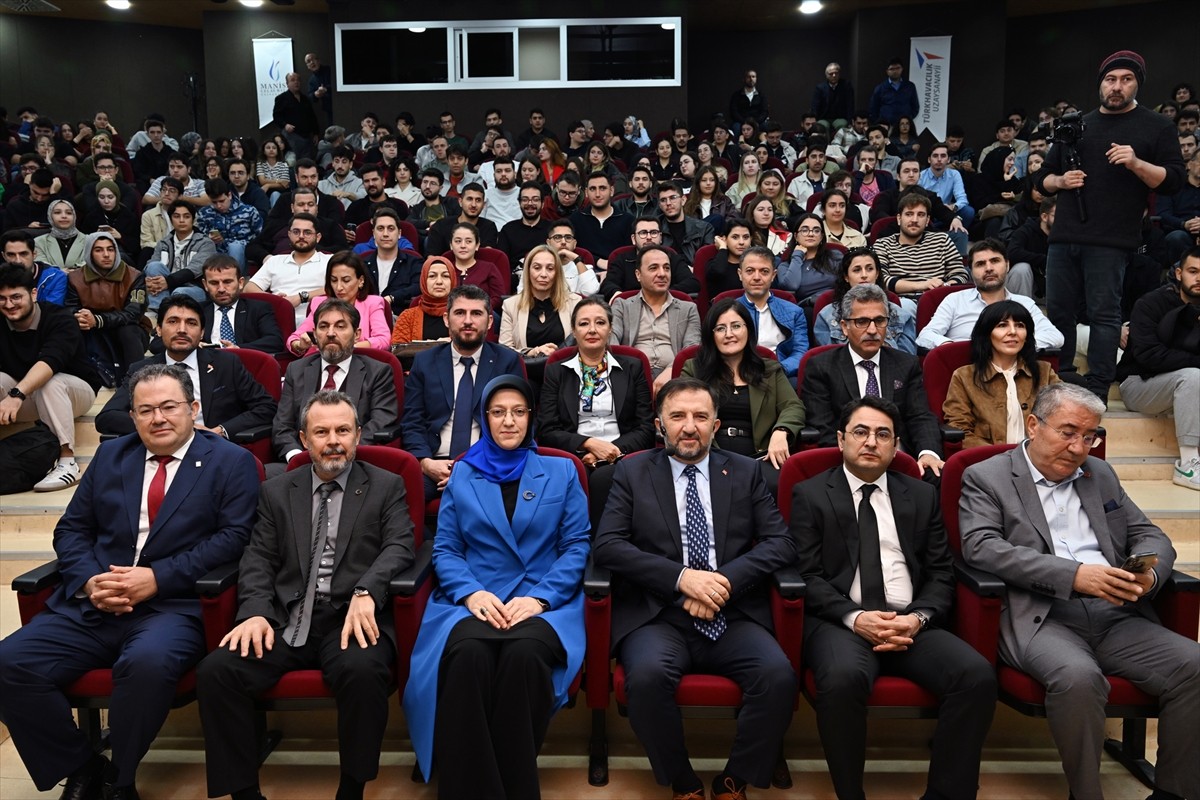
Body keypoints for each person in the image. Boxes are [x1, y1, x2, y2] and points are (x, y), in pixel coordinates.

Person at [0, 363, 258, 800]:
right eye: (146, 410)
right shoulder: (111, 456)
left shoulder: (231, 462)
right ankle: (83, 767)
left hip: (173, 606)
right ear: (133, 416)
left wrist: (158, 578)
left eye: (169, 407)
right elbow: (72, 529)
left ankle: (120, 779)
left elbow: (234, 539)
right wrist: (90, 580)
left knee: (147, 665)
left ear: (193, 408)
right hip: (95, 603)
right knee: (9, 663)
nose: (158, 418)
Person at [959, 382, 1200, 800]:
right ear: (1033, 425)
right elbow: (982, 546)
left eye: (1089, 437)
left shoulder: (1099, 474)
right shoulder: (987, 476)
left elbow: (1150, 534)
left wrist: (1149, 575)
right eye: (1068, 432)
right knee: (1079, 677)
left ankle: (1175, 794)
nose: (1078, 447)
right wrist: (1072, 575)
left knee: (1194, 665)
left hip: (1115, 613)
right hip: (1042, 615)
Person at [197, 389, 414, 800]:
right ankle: (244, 793)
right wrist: (255, 612)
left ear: (358, 435)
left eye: (343, 431)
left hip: (351, 616)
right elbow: (259, 557)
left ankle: (351, 789)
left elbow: (400, 546)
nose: (334, 441)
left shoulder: (386, 485)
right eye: (322, 432)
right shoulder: (277, 490)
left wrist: (367, 590)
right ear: (304, 439)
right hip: (288, 617)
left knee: (363, 671)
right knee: (217, 671)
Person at [593, 377, 798, 800]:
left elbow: (781, 543)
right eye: (678, 416)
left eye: (701, 417)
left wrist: (722, 583)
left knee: (778, 677)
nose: (690, 426)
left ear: (716, 425)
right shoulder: (631, 472)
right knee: (646, 679)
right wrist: (682, 579)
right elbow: (609, 546)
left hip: (732, 611)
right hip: (659, 614)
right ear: (659, 425)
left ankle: (734, 779)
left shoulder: (746, 471)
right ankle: (683, 781)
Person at [792, 395, 997, 800]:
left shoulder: (920, 496)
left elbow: (941, 572)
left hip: (910, 623)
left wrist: (917, 618)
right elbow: (807, 575)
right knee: (843, 678)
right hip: (841, 623)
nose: (871, 442)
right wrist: (855, 618)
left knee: (975, 675)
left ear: (896, 445)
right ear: (841, 439)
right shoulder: (810, 494)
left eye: (882, 434)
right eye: (861, 432)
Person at [403, 373, 588, 798]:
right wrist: (471, 593)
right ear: (484, 418)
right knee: (468, 655)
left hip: (544, 599)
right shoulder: (464, 473)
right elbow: (446, 549)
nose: (509, 421)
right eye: (498, 412)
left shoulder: (561, 471)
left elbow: (577, 546)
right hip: (472, 598)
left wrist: (540, 599)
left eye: (518, 412)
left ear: (531, 417)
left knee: (525, 655)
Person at [1036, 51, 1186, 402]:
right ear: (1100, 83)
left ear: (1137, 84)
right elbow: (1042, 179)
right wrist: (1060, 181)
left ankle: (1098, 388)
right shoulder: (1077, 124)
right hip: (1064, 236)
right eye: (1110, 79)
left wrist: (1136, 163)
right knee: (1058, 312)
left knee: (1104, 316)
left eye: (1126, 79)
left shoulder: (1157, 126)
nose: (1117, 86)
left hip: (1113, 239)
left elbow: (1174, 181)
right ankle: (1059, 380)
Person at [802, 283, 944, 476]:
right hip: (848, 461)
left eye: (879, 321)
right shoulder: (821, 366)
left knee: (935, 474)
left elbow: (919, 416)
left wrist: (928, 453)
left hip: (899, 458)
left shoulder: (906, 364)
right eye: (861, 321)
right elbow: (824, 428)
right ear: (844, 327)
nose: (872, 330)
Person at [537, 295, 655, 525]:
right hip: (576, 454)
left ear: (610, 328)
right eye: (584, 323)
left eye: (600, 322)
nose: (592, 329)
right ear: (574, 330)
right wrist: (588, 444)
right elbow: (547, 430)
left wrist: (609, 452)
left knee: (604, 477)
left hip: (623, 452)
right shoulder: (557, 371)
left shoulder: (633, 367)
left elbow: (645, 428)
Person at [96, 294, 276, 439]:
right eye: (173, 321)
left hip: (212, 448)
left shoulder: (226, 363)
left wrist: (220, 431)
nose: (182, 329)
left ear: (202, 333)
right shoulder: (141, 369)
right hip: (158, 450)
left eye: (191, 323)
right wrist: (165, 427)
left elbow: (266, 407)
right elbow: (107, 417)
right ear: (159, 329)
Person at [402, 285, 524, 496]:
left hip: (487, 463)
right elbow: (413, 420)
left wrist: (473, 469)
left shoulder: (507, 362)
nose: (468, 321)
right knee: (404, 494)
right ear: (446, 319)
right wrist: (424, 463)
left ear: (490, 321)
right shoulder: (424, 362)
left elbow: (516, 422)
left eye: (476, 313)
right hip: (436, 463)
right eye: (459, 313)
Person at [679, 298, 804, 496]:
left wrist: (781, 431)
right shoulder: (694, 369)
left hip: (760, 458)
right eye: (720, 329)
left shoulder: (769, 370)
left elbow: (793, 406)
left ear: (748, 330)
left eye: (736, 326)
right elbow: (680, 409)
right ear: (711, 335)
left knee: (781, 487)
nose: (729, 334)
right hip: (708, 456)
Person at [0, 263, 102, 492]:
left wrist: (16, 395)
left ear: (33, 294)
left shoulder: (60, 318)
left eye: (16, 297)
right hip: (25, 397)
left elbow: (50, 362)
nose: (9, 304)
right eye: (2, 299)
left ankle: (67, 461)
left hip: (73, 392)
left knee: (50, 382)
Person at [272, 299, 398, 466]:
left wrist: (342, 453)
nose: (330, 333)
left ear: (357, 334)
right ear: (315, 334)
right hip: (302, 463)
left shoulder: (378, 372)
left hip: (354, 462)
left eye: (340, 326)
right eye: (323, 326)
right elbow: (282, 426)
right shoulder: (296, 370)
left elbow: (379, 423)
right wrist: (296, 457)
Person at [1117, 247, 1200, 489]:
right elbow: (1148, 356)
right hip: (1139, 383)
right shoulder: (1151, 303)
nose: (1199, 278)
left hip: (1187, 386)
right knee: (1193, 377)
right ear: (1179, 273)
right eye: (1193, 271)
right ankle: (1188, 465)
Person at [942, 300, 1060, 449]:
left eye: (1020, 325)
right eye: (1002, 325)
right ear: (987, 333)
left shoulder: (1044, 371)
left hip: (1039, 457)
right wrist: (998, 456)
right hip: (989, 459)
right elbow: (960, 429)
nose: (1013, 332)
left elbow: (1064, 416)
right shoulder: (964, 376)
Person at [916, 238, 1060, 351]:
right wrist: (953, 347)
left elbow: (1055, 336)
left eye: (995, 261)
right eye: (980, 264)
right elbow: (926, 336)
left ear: (1007, 265)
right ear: (971, 272)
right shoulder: (955, 300)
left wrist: (1011, 345)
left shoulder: (1024, 304)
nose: (989, 268)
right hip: (964, 370)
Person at [610, 245, 702, 393]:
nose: (662, 274)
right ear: (638, 275)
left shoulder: (688, 308)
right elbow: (612, 340)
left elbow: (691, 347)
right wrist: (632, 374)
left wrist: (672, 370)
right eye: (653, 268)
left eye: (666, 268)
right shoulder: (622, 305)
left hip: (676, 378)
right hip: (631, 375)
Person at [66, 231, 150, 386]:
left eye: (110, 249)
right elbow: (70, 308)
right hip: (92, 333)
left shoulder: (134, 276)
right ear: (89, 253)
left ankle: (137, 382)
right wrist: (80, 317)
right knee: (72, 328)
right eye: (99, 250)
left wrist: (98, 320)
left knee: (128, 330)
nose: (106, 255)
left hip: (129, 333)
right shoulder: (75, 278)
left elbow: (133, 313)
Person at [814, 247, 917, 354]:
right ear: (846, 277)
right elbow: (829, 360)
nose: (864, 275)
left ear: (877, 274)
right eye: (857, 270)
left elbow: (907, 359)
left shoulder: (902, 315)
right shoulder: (826, 316)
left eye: (869, 269)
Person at [287, 251, 390, 356]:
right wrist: (300, 345)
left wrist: (345, 347)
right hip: (322, 361)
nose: (339, 287)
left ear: (361, 281)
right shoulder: (319, 303)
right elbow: (293, 339)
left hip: (359, 360)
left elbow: (383, 340)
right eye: (334, 280)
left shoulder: (372, 303)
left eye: (346, 280)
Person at [733, 245, 809, 379]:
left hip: (780, 373)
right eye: (750, 271)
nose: (757, 277)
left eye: (764, 271)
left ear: (773, 275)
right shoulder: (727, 311)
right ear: (740, 274)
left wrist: (778, 369)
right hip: (739, 374)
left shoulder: (795, 312)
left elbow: (800, 351)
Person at [874, 194, 969, 299]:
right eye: (909, 214)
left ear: (927, 220)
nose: (915, 220)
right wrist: (922, 285)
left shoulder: (942, 240)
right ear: (899, 219)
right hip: (902, 301)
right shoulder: (883, 245)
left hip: (939, 299)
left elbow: (960, 274)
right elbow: (879, 280)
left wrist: (944, 287)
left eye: (921, 215)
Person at [500, 244, 581, 357]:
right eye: (537, 268)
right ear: (528, 271)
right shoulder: (510, 305)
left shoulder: (575, 302)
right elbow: (504, 350)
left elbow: (582, 345)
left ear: (557, 273)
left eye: (550, 269)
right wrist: (532, 352)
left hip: (564, 365)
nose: (543, 274)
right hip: (526, 366)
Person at [197, 255, 284, 353]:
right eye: (214, 283)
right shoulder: (197, 311)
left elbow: (274, 341)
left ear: (240, 283)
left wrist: (238, 349)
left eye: (227, 282)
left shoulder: (258, 308)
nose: (221, 289)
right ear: (205, 285)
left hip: (245, 360)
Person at [144, 200, 216, 310]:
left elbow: (195, 269)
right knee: (153, 266)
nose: (181, 220)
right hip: (164, 288)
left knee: (179, 292)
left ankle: (163, 311)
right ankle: (157, 310)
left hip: (194, 288)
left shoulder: (205, 243)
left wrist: (168, 282)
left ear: (193, 219)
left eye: (186, 216)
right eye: (177, 216)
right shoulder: (163, 243)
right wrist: (148, 281)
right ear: (171, 220)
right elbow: (151, 265)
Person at [775, 213, 843, 305]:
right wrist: (797, 256)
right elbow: (791, 286)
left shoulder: (835, 256)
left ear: (821, 236)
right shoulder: (785, 266)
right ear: (796, 236)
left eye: (816, 230)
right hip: (808, 307)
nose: (811, 234)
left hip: (837, 303)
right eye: (804, 230)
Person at [446, 222, 507, 306]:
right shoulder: (445, 268)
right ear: (451, 245)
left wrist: (479, 308)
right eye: (458, 241)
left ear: (477, 245)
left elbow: (498, 297)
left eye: (468, 241)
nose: (463, 245)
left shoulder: (489, 268)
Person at [2, 229, 67, 305]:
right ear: (4, 256)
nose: (18, 260)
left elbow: (51, 309)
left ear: (34, 255)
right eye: (11, 255)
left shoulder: (55, 277)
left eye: (23, 254)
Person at [272, 71, 319, 159]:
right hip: (291, 135)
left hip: (306, 136)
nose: (296, 82)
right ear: (287, 84)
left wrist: (316, 132)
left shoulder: (305, 99)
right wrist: (285, 125)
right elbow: (276, 116)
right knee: (292, 160)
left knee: (306, 160)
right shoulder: (281, 98)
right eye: (293, 80)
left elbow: (312, 116)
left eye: (298, 80)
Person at [33, 198, 88, 269]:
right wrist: (61, 272)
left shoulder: (88, 240)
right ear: (50, 216)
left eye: (69, 213)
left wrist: (73, 272)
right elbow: (42, 266)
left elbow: (91, 264)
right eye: (57, 212)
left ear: (74, 216)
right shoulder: (39, 242)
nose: (64, 216)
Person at [868, 57, 919, 127]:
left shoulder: (910, 86)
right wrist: (879, 123)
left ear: (902, 69)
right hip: (886, 126)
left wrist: (908, 119)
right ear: (887, 71)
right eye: (892, 69)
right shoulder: (880, 88)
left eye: (898, 68)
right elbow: (873, 108)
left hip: (903, 126)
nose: (895, 71)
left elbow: (915, 107)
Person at [812, 62, 855, 134]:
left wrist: (850, 120)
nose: (834, 75)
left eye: (836, 73)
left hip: (840, 117)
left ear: (839, 74)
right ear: (827, 75)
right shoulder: (820, 88)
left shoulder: (846, 85)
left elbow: (850, 104)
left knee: (842, 125)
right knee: (822, 126)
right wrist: (814, 120)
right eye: (831, 74)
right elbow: (815, 105)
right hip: (824, 117)